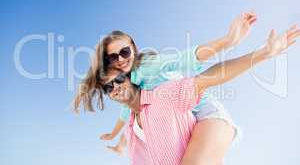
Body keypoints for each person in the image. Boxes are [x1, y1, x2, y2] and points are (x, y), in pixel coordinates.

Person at [99, 24, 300, 164]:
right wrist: (117, 140)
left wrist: (229, 41)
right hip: (189, 120)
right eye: (113, 57)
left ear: (133, 48)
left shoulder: (150, 67)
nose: (120, 59)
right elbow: (127, 115)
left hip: (206, 112)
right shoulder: (137, 106)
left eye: (125, 52)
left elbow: (187, 61)